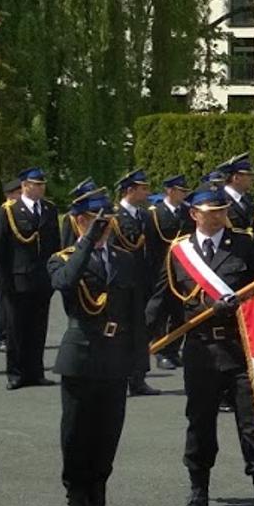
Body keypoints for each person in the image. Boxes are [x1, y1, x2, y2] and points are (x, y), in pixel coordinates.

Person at [158, 189, 254, 506]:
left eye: (222, 211)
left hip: (239, 348)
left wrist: (241, 307)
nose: (217, 217)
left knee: (251, 424)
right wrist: (143, 343)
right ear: (193, 214)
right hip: (200, 352)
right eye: (210, 211)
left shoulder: (244, 245)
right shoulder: (179, 252)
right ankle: (199, 492)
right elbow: (166, 299)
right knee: (199, 423)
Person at [48, 185, 144, 506]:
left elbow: (134, 313)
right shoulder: (63, 257)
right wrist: (87, 240)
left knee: (107, 437)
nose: (103, 227)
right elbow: (64, 282)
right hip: (80, 356)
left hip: (115, 358)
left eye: (105, 221)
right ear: (78, 221)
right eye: (93, 220)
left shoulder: (123, 259)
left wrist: (139, 364)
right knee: (76, 438)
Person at [0, 167, 64, 389]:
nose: (41, 188)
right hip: (18, 279)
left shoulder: (49, 210)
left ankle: (36, 371)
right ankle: (15, 373)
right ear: (25, 186)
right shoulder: (8, 212)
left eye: (43, 184)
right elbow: (0, 251)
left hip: (42, 279)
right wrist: (4, 282)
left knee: (38, 328)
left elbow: (55, 246)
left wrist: (54, 275)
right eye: (37, 184)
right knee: (16, 329)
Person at [106, 170, 162, 397]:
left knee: (140, 331)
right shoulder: (114, 217)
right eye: (143, 189)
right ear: (130, 190)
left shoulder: (144, 215)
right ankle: (117, 376)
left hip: (143, 281)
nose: (146, 192)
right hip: (122, 282)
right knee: (120, 331)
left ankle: (138, 378)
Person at [145, 175, 194, 370]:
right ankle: (159, 350)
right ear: (170, 191)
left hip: (182, 267)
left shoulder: (187, 212)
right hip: (161, 268)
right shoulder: (155, 213)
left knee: (181, 311)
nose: (183, 194)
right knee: (159, 311)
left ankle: (173, 349)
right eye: (181, 191)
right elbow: (149, 244)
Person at [0, 180, 21, 354]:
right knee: (5, 305)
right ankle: (4, 337)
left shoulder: (21, 213)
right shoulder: (0, 214)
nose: (20, 196)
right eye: (17, 193)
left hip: (21, 269)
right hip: (6, 269)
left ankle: (17, 335)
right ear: (9, 195)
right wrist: (0, 272)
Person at [217, 153, 254, 232]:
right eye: (249, 175)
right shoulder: (221, 201)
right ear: (236, 178)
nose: (252, 179)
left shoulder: (248, 199)